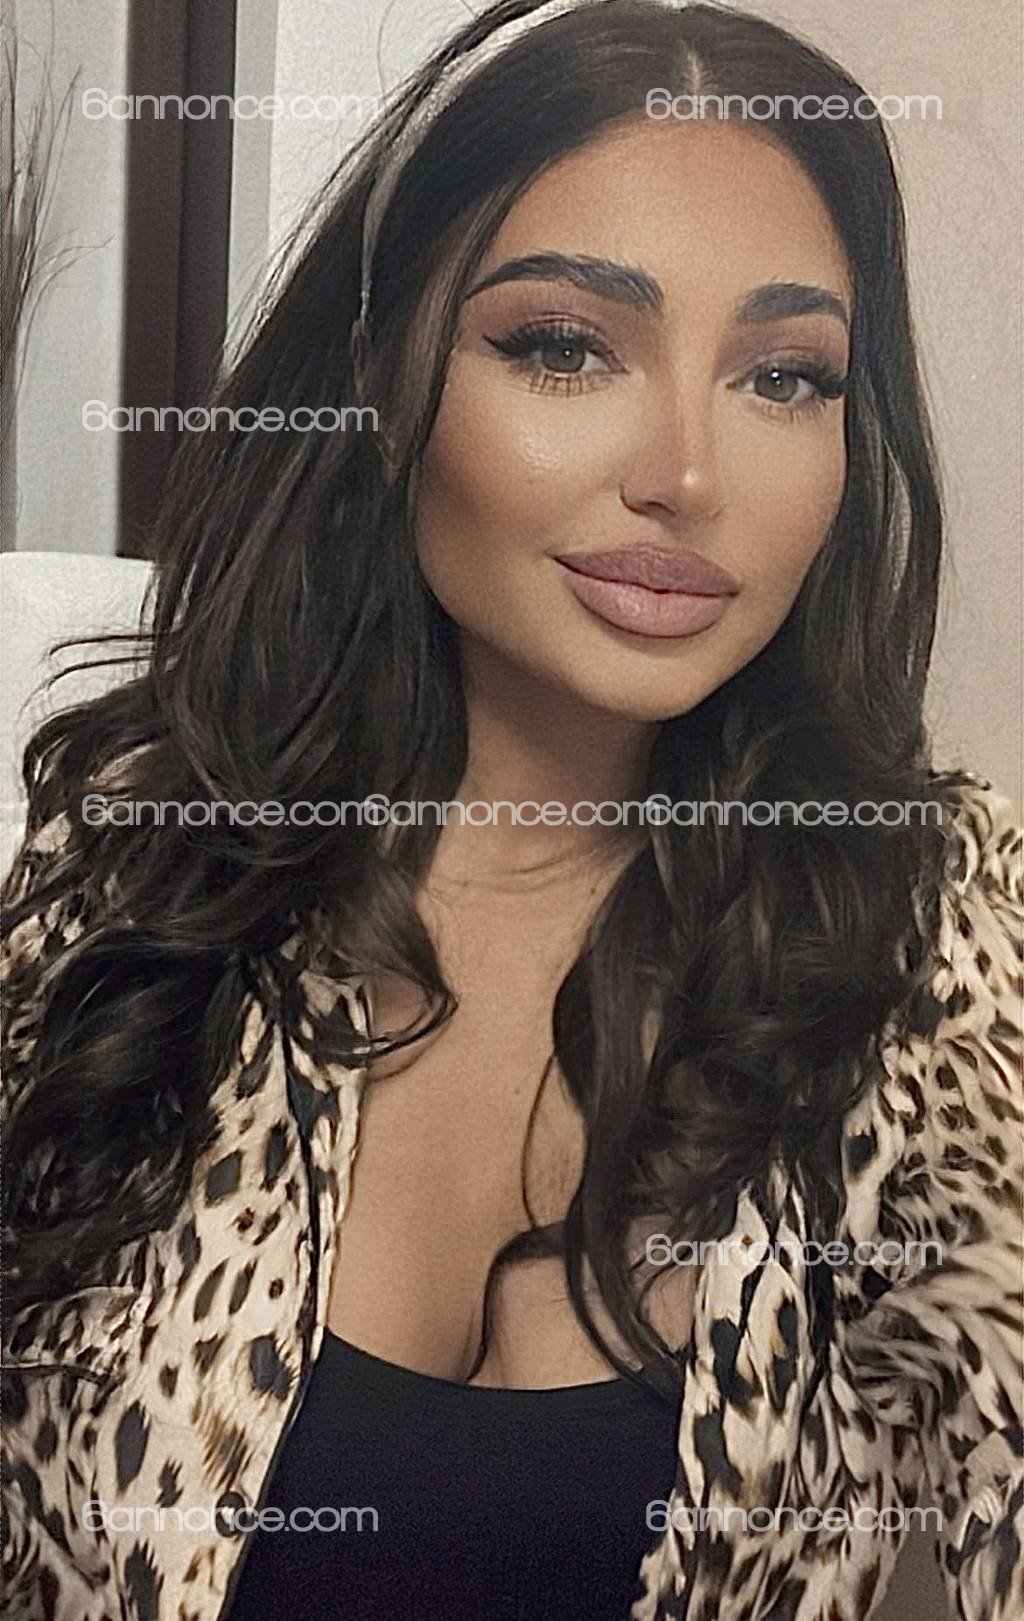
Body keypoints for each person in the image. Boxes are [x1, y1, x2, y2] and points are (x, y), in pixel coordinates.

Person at [2, 1, 1021, 1618]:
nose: (687, 472)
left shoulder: (931, 935)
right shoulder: (132, 872)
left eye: (784, 375)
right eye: (564, 345)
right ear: (379, 373)